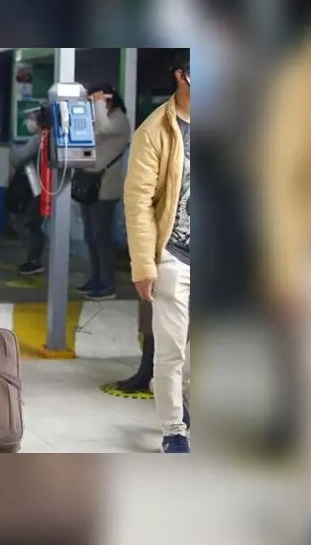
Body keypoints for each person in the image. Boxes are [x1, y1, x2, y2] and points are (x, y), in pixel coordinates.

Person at [123, 57, 191, 454]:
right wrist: (144, 264)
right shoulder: (156, 130)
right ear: (181, 76)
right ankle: (174, 429)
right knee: (172, 348)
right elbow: (138, 201)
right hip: (173, 253)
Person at [78, 82, 131, 301]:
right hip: (89, 184)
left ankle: (108, 284)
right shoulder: (102, 116)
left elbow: (103, 128)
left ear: (109, 99)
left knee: (102, 238)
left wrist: (98, 103)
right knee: (90, 236)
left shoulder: (119, 120)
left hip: (105, 188)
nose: (94, 105)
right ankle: (96, 277)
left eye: (97, 100)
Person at [10, 104, 51, 275]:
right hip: (45, 188)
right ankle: (33, 259)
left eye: (33, 119)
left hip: (37, 189)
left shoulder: (38, 140)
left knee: (30, 223)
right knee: (32, 223)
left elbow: (19, 158)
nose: (29, 122)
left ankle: (34, 260)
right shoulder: (49, 137)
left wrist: (13, 152)